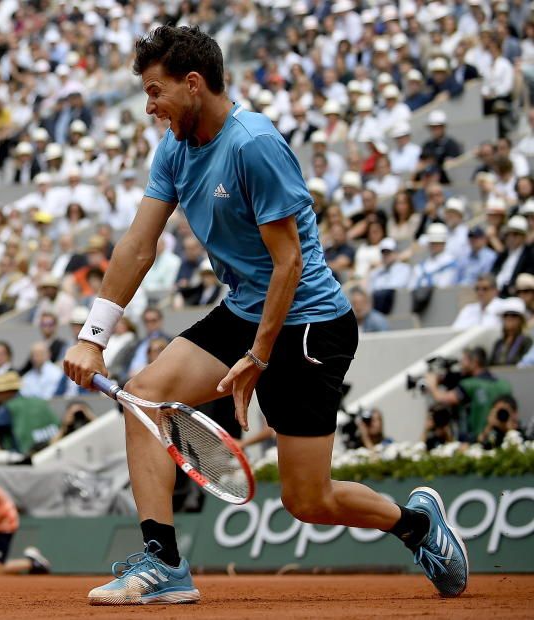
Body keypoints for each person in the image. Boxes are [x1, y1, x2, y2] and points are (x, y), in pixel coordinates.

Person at [63, 26, 467, 605]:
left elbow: (290, 263)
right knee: (144, 398)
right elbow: (137, 246)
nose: (150, 107)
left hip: (308, 324)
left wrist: (258, 356)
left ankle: (417, 525)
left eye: (156, 92)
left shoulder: (254, 144)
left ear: (194, 84)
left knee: (309, 500)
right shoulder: (175, 148)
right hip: (244, 312)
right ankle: (163, 563)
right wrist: (93, 336)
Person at [426, 346, 513, 441]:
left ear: (474, 362)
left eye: (464, 360)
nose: (461, 364)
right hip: (501, 439)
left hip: (476, 440)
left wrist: (432, 384)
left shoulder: (469, 385)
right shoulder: (504, 385)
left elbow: (442, 399)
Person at [489, 298, 532, 366]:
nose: (509, 318)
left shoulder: (526, 341)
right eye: (506, 315)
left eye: (514, 315)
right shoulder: (498, 343)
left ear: (521, 320)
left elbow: (525, 365)